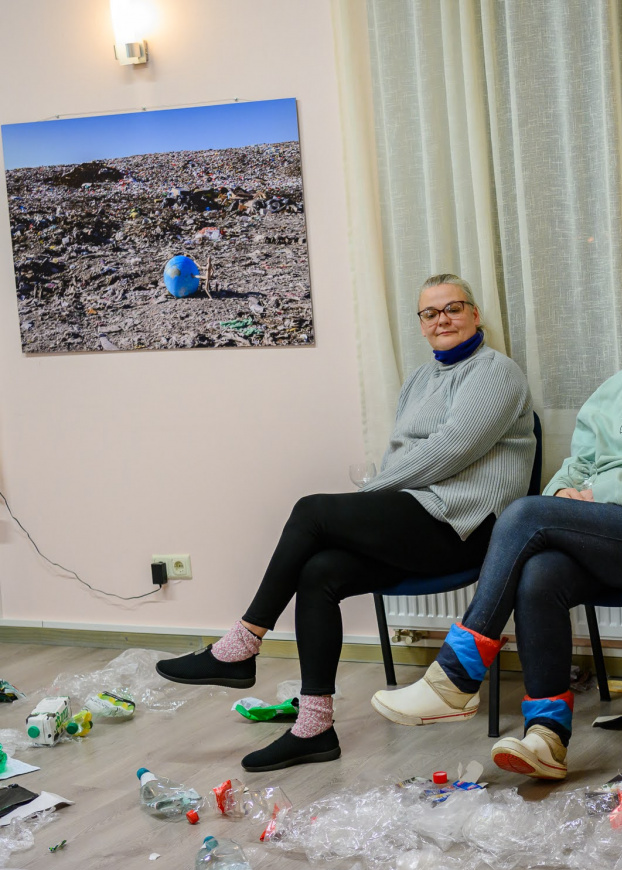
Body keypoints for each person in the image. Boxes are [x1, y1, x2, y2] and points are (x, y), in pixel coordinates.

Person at [371, 263, 622, 780]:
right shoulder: (618, 388)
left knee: (527, 513)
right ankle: (547, 736)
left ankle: (456, 678)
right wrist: (563, 498)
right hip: (608, 532)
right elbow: (578, 465)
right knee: (540, 573)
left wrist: (598, 494)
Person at [155, 274, 536, 771]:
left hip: (467, 527)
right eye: (430, 313)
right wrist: (374, 503)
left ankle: (243, 643)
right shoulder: (421, 379)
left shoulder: (496, 372)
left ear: (475, 314)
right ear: (421, 324)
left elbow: (450, 450)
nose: (442, 319)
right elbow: (402, 454)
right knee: (320, 573)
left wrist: (367, 498)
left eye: (453, 308)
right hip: (419, 518)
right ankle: (314, 727)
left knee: (312, 510)